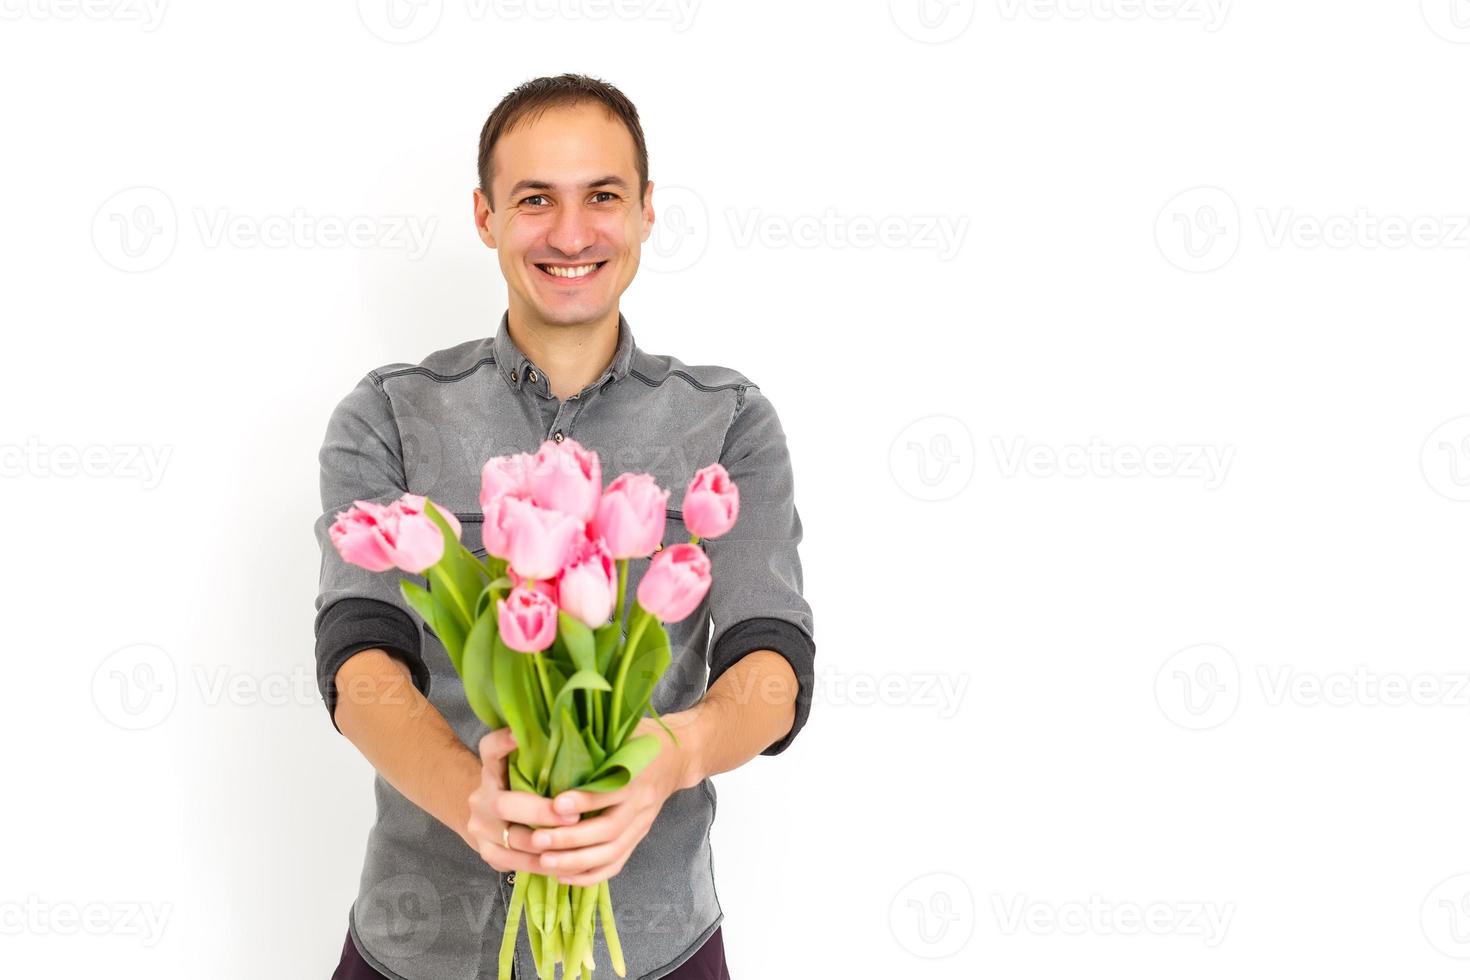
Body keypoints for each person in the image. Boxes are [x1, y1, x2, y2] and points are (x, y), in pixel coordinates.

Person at [313, 73, 816, 979]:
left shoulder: (730, 422)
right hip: (417, 944)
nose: (573, 233)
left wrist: (673, 752)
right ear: (485, 216)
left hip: (653, 947)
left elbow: (772, 666)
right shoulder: (388, 415)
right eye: (535, 198)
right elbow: (358, 668)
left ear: (648, 212)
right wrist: (475, 798)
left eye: (604, 197)